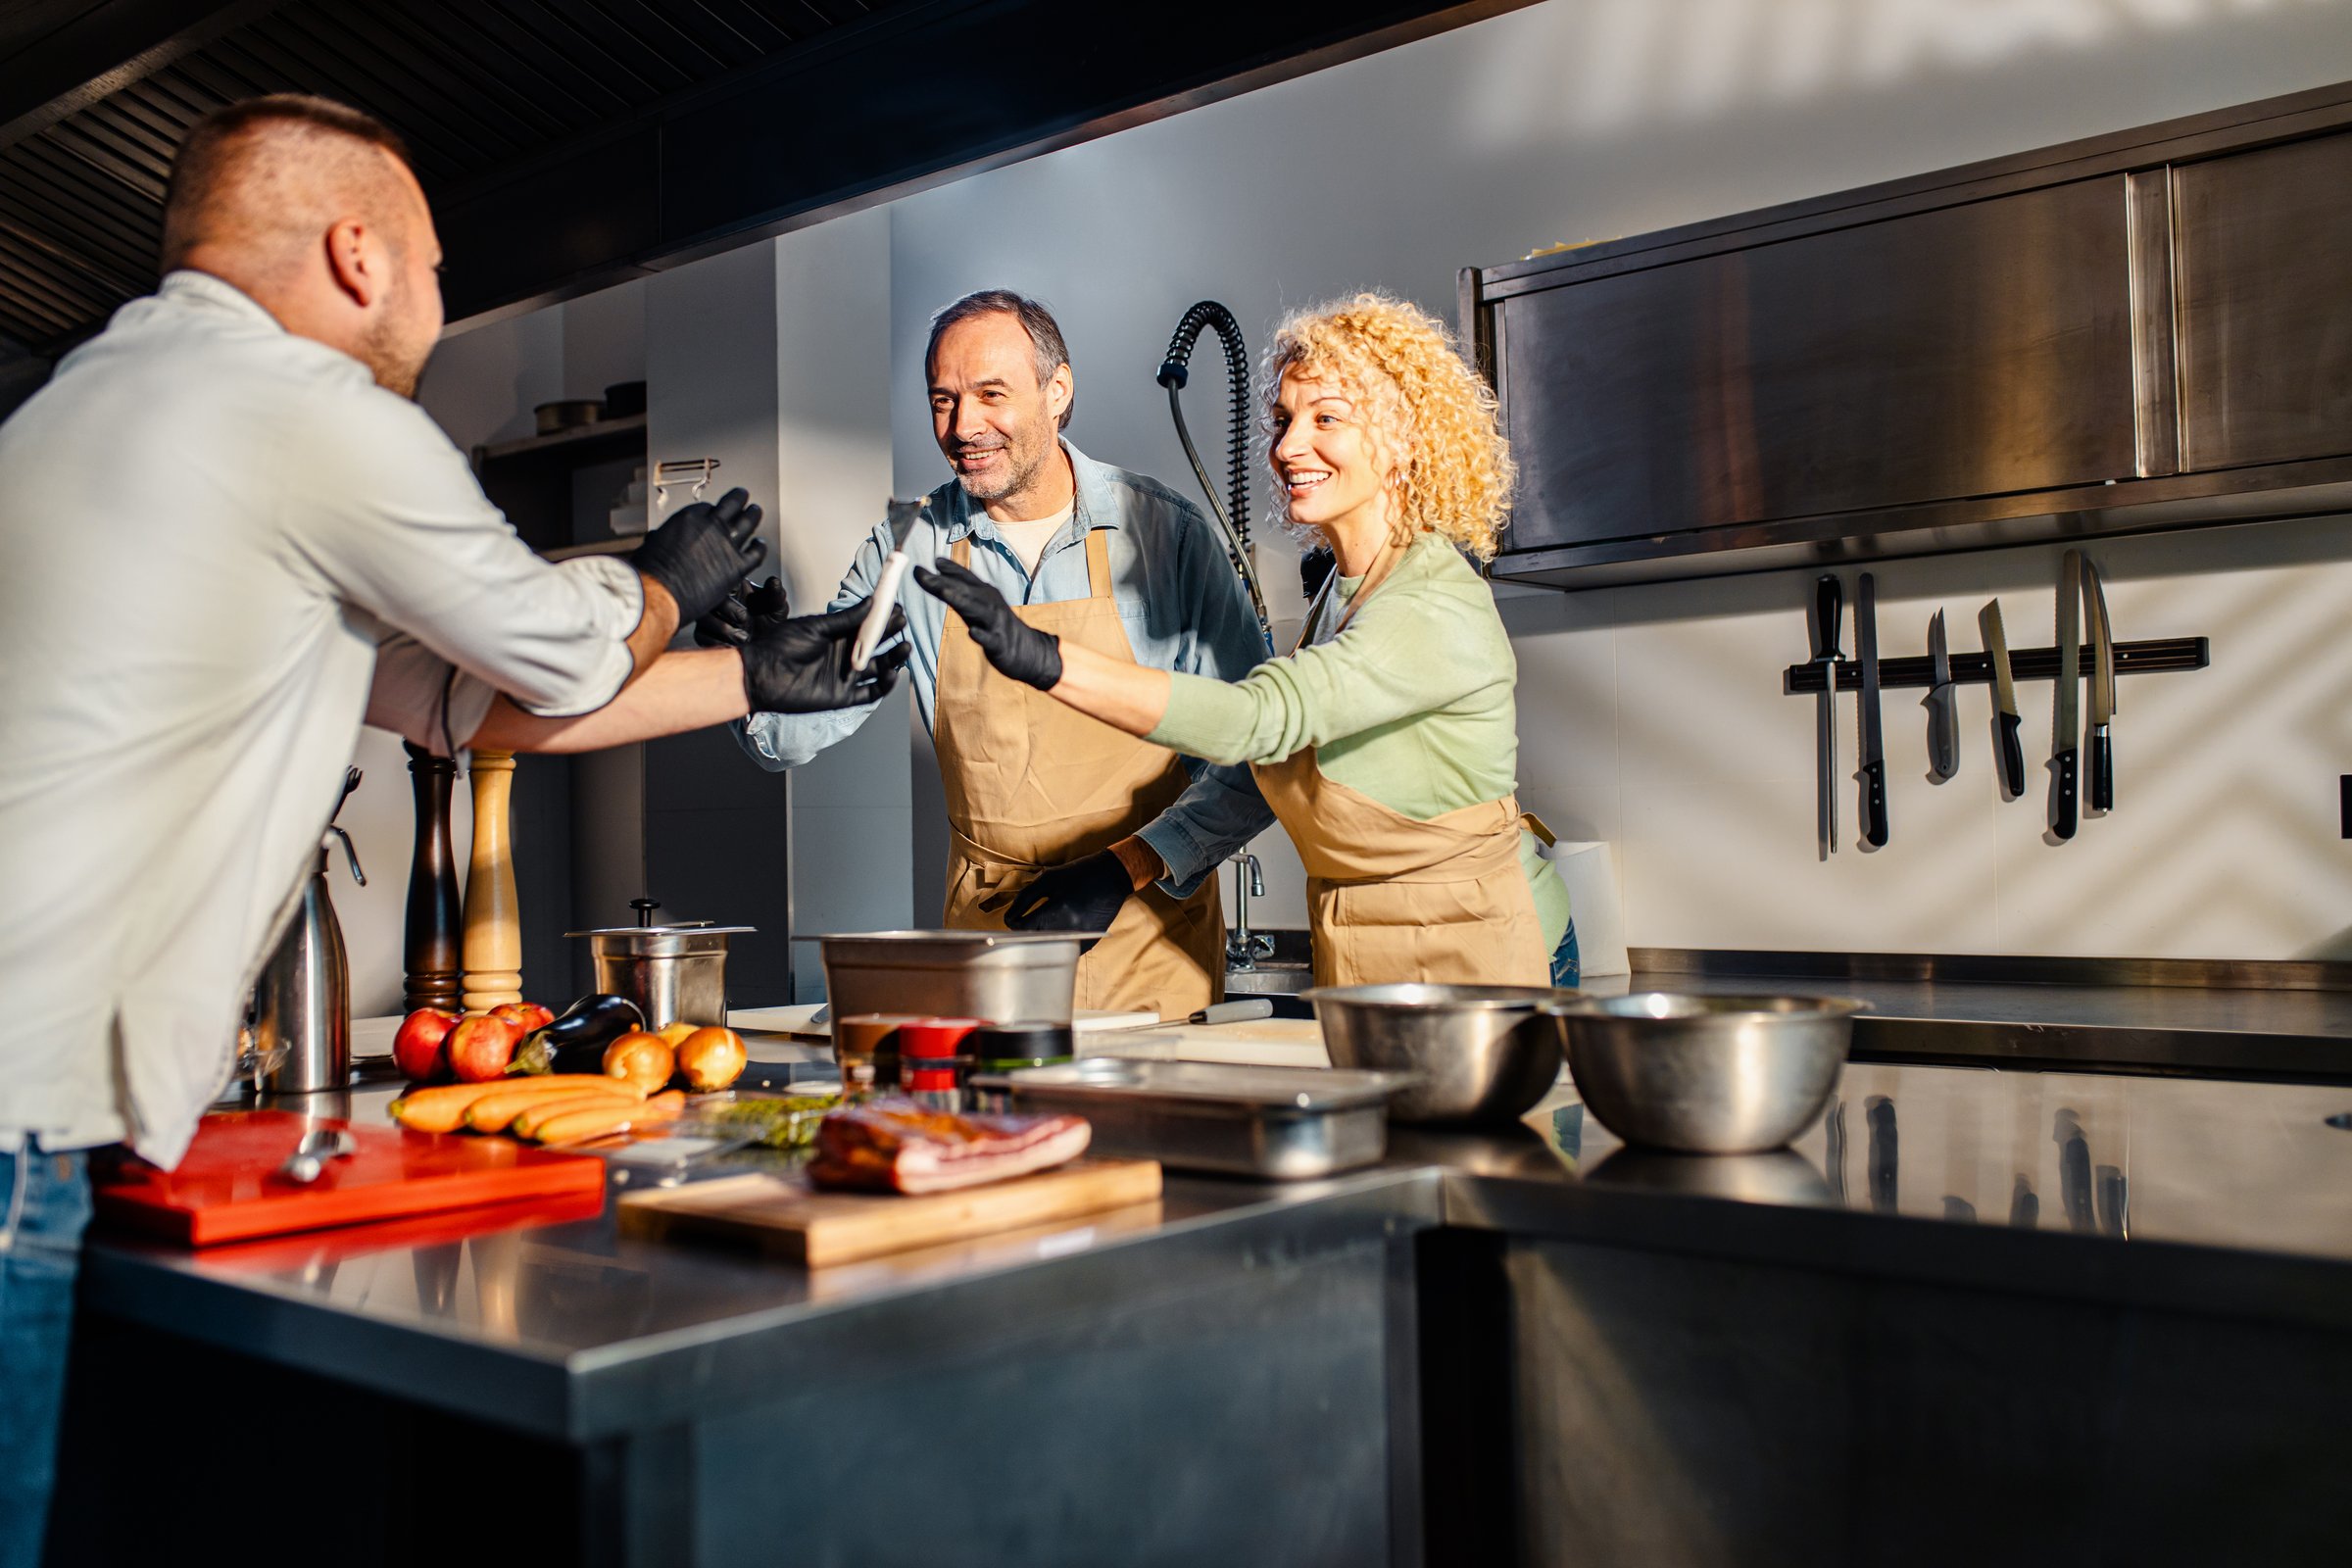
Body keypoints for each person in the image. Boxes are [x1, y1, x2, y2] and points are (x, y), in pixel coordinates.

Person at [0, 94, 900, 1564]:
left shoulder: (85, 409)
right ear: (359, 253)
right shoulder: (304, 410)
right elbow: (546, 654)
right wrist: (658, 576)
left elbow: (448, 704)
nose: (435, 301)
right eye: (431, 266)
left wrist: (746, 674)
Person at [918, 292, 1574, 990]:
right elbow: (1261, 768)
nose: (1288, 447)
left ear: (1404, 438)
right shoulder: (1343, 594)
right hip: (1367, 948)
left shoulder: (1431, 600)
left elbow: (1257, 721)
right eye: (1284, 419)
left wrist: (1045, 661)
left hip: (1478, 946)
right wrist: (1127, 863)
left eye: (1327, 419)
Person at [719, 290, 1272, 1018]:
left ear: (1058, 391)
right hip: (993, 949)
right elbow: (787, 740)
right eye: (943, 400)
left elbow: (1260, 754)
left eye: (990, 394)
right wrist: (755, 669)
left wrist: (1128, 865)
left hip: (1149, 941)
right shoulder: (907, 549)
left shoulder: (1164, 534)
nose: (963, 426)